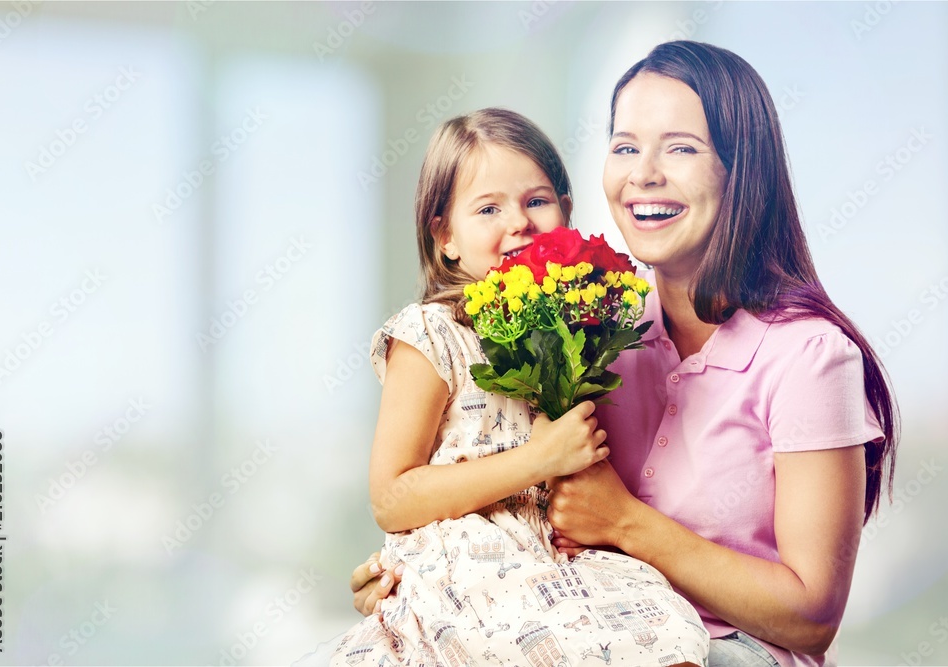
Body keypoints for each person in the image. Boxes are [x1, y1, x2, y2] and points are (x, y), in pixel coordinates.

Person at [349, 42, 898, 667]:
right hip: (578, 624)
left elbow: (811, 619)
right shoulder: (589, 333)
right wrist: (427, 584)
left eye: (682, 147)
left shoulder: (811, 357)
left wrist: (623, 522)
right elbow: (498, 493)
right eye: (626, 146)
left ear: (741, 171)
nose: (644, 173)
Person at [326, 108, 708, 667]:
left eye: (537, 201)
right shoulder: (430, 334)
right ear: (445, 236)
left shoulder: (572, 324)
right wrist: (538, 460)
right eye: (488, 208)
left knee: (672, 631)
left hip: (556, 558)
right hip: (469, 562)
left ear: (567, 212)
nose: (519, 222)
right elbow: (391, 498)